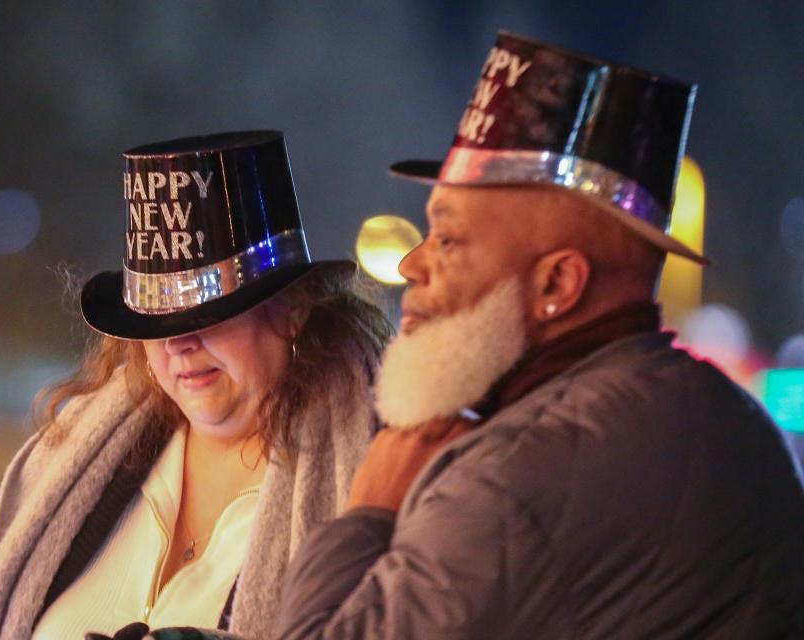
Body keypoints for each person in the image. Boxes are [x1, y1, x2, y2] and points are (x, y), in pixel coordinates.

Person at [275, 32, 804, 639]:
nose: (411, 265)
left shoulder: (515, 476)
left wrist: (369, 512)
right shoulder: (713, 406)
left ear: (559, 282)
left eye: (448, 241)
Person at [0, 131, 392, 640]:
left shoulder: (373, 470)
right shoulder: (68, 454)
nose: (178, 343)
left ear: (292, 310)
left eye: (212, 315)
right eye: (155, 322)